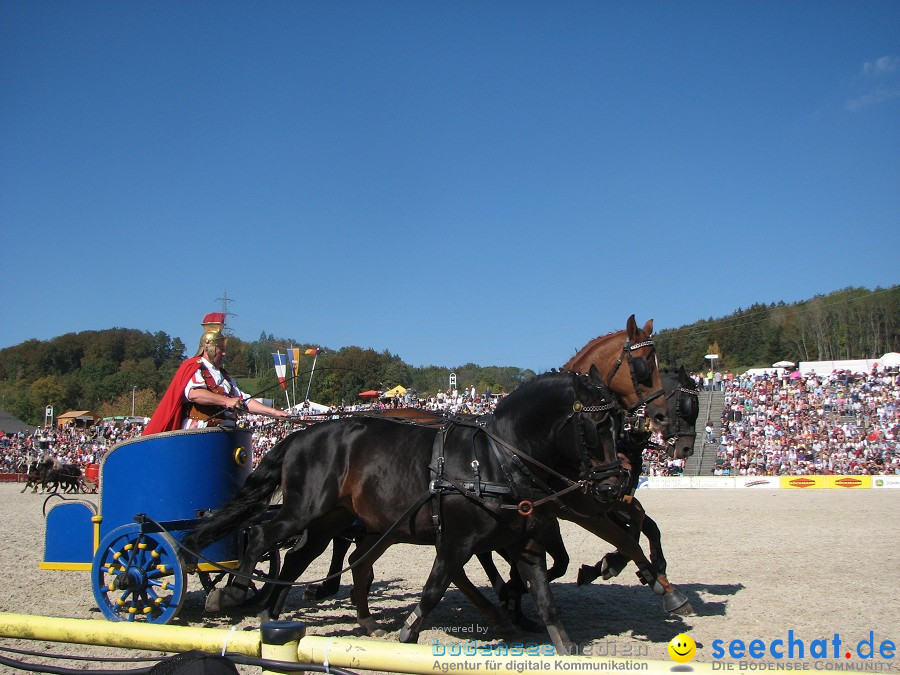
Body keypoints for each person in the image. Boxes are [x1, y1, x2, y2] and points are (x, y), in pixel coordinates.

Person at [142, 313, 289, 435]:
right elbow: (195, 394)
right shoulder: (195, 367)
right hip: (200, 434)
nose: (224, 354)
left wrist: (274, 412)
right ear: (210, 349)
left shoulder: (226, 378)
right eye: (221, 350)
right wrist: (226, 401)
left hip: (224, 433)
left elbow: (244, 401)